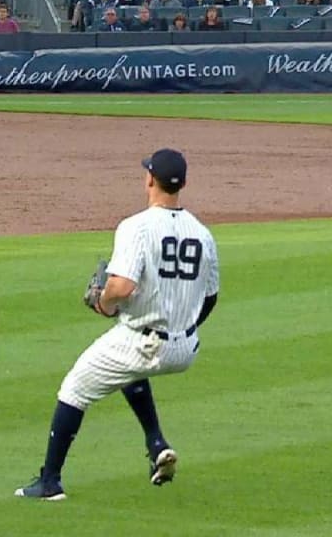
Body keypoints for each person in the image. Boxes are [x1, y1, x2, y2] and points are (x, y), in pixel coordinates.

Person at [15, 148, 220, 500]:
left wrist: (103, 302)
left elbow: (121, 287)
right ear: (183, 184)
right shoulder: (203, 234)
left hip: (144, 341)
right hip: (186, 347)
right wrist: (183, 327)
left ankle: (50, 482)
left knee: (74, 389)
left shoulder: (136, 227)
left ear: (149, 179)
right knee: (125, 363)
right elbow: (211, 297)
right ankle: (156, 444)